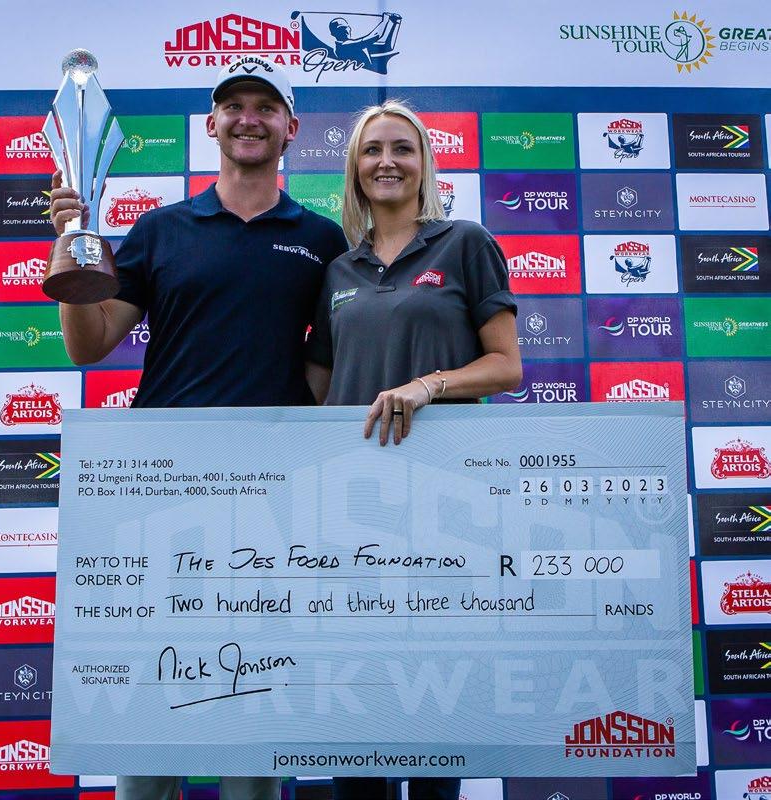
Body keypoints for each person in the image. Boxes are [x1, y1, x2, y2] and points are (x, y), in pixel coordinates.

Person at [48, 57, 348, 800]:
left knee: (255, 712)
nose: (249, 118)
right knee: (155, 711)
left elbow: (331, 365)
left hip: (273, 500)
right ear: (211, 123)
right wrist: (70, 246)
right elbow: (89, 345)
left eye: (265, 107)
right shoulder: (161, 229)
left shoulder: (322, 239)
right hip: (163, 495)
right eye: (233, 105)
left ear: (291, 128)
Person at [304, 101, 521, 798]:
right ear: (354, 168)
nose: (387, 161)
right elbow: (320, 384)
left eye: (403, 148)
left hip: (442, 504)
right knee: (357, 709)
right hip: (351, 511)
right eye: (372, 150)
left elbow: (506, 366)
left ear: (425, 163)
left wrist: (429, 385)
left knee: (435, 704)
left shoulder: (465, 243)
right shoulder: (338, 270)